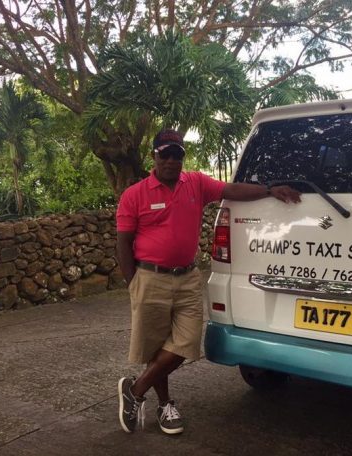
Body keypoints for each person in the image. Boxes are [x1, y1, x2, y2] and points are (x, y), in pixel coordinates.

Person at [116, 129, 301, 435]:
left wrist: (269, 190)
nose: (172, 161)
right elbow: (123, 242)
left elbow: (233, 190)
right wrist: (132, 282)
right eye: (166, 154)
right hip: (150, 278)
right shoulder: (134, 195)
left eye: (178, 155)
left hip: (188, 277)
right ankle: (164, 406)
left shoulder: (196, 184)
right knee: (155, 348)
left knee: (185, 344)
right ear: (155, 156)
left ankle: (135, 390)